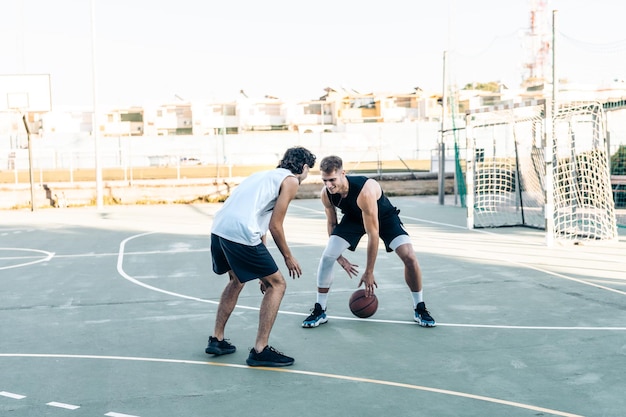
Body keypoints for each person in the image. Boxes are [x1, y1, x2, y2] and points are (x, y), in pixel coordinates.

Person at [206, 146, 316, 367]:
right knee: (278, 284)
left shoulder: (262, 176)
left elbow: (262, 225)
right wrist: (288, 257)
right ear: (303, 167)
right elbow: (276, 225)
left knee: (236, 280)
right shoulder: (291, 181)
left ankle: (216, 339)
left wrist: (260, 273)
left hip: (219, 229)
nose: (307, 174)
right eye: (308, 170)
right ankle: (260, 350)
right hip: (239, 232)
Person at [302, 155, 436, 328]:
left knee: (409, 256)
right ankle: (320, 309)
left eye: (332, 180)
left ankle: (420, 307)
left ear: (343, 173)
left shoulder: (364, 190)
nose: (328, 185)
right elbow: (332, 224)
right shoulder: (326, 194)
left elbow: (373, 234)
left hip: (385, 218)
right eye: (325, 180)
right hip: (353, 219)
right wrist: (340, 258)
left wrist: (369, 272)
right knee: (328, 256)